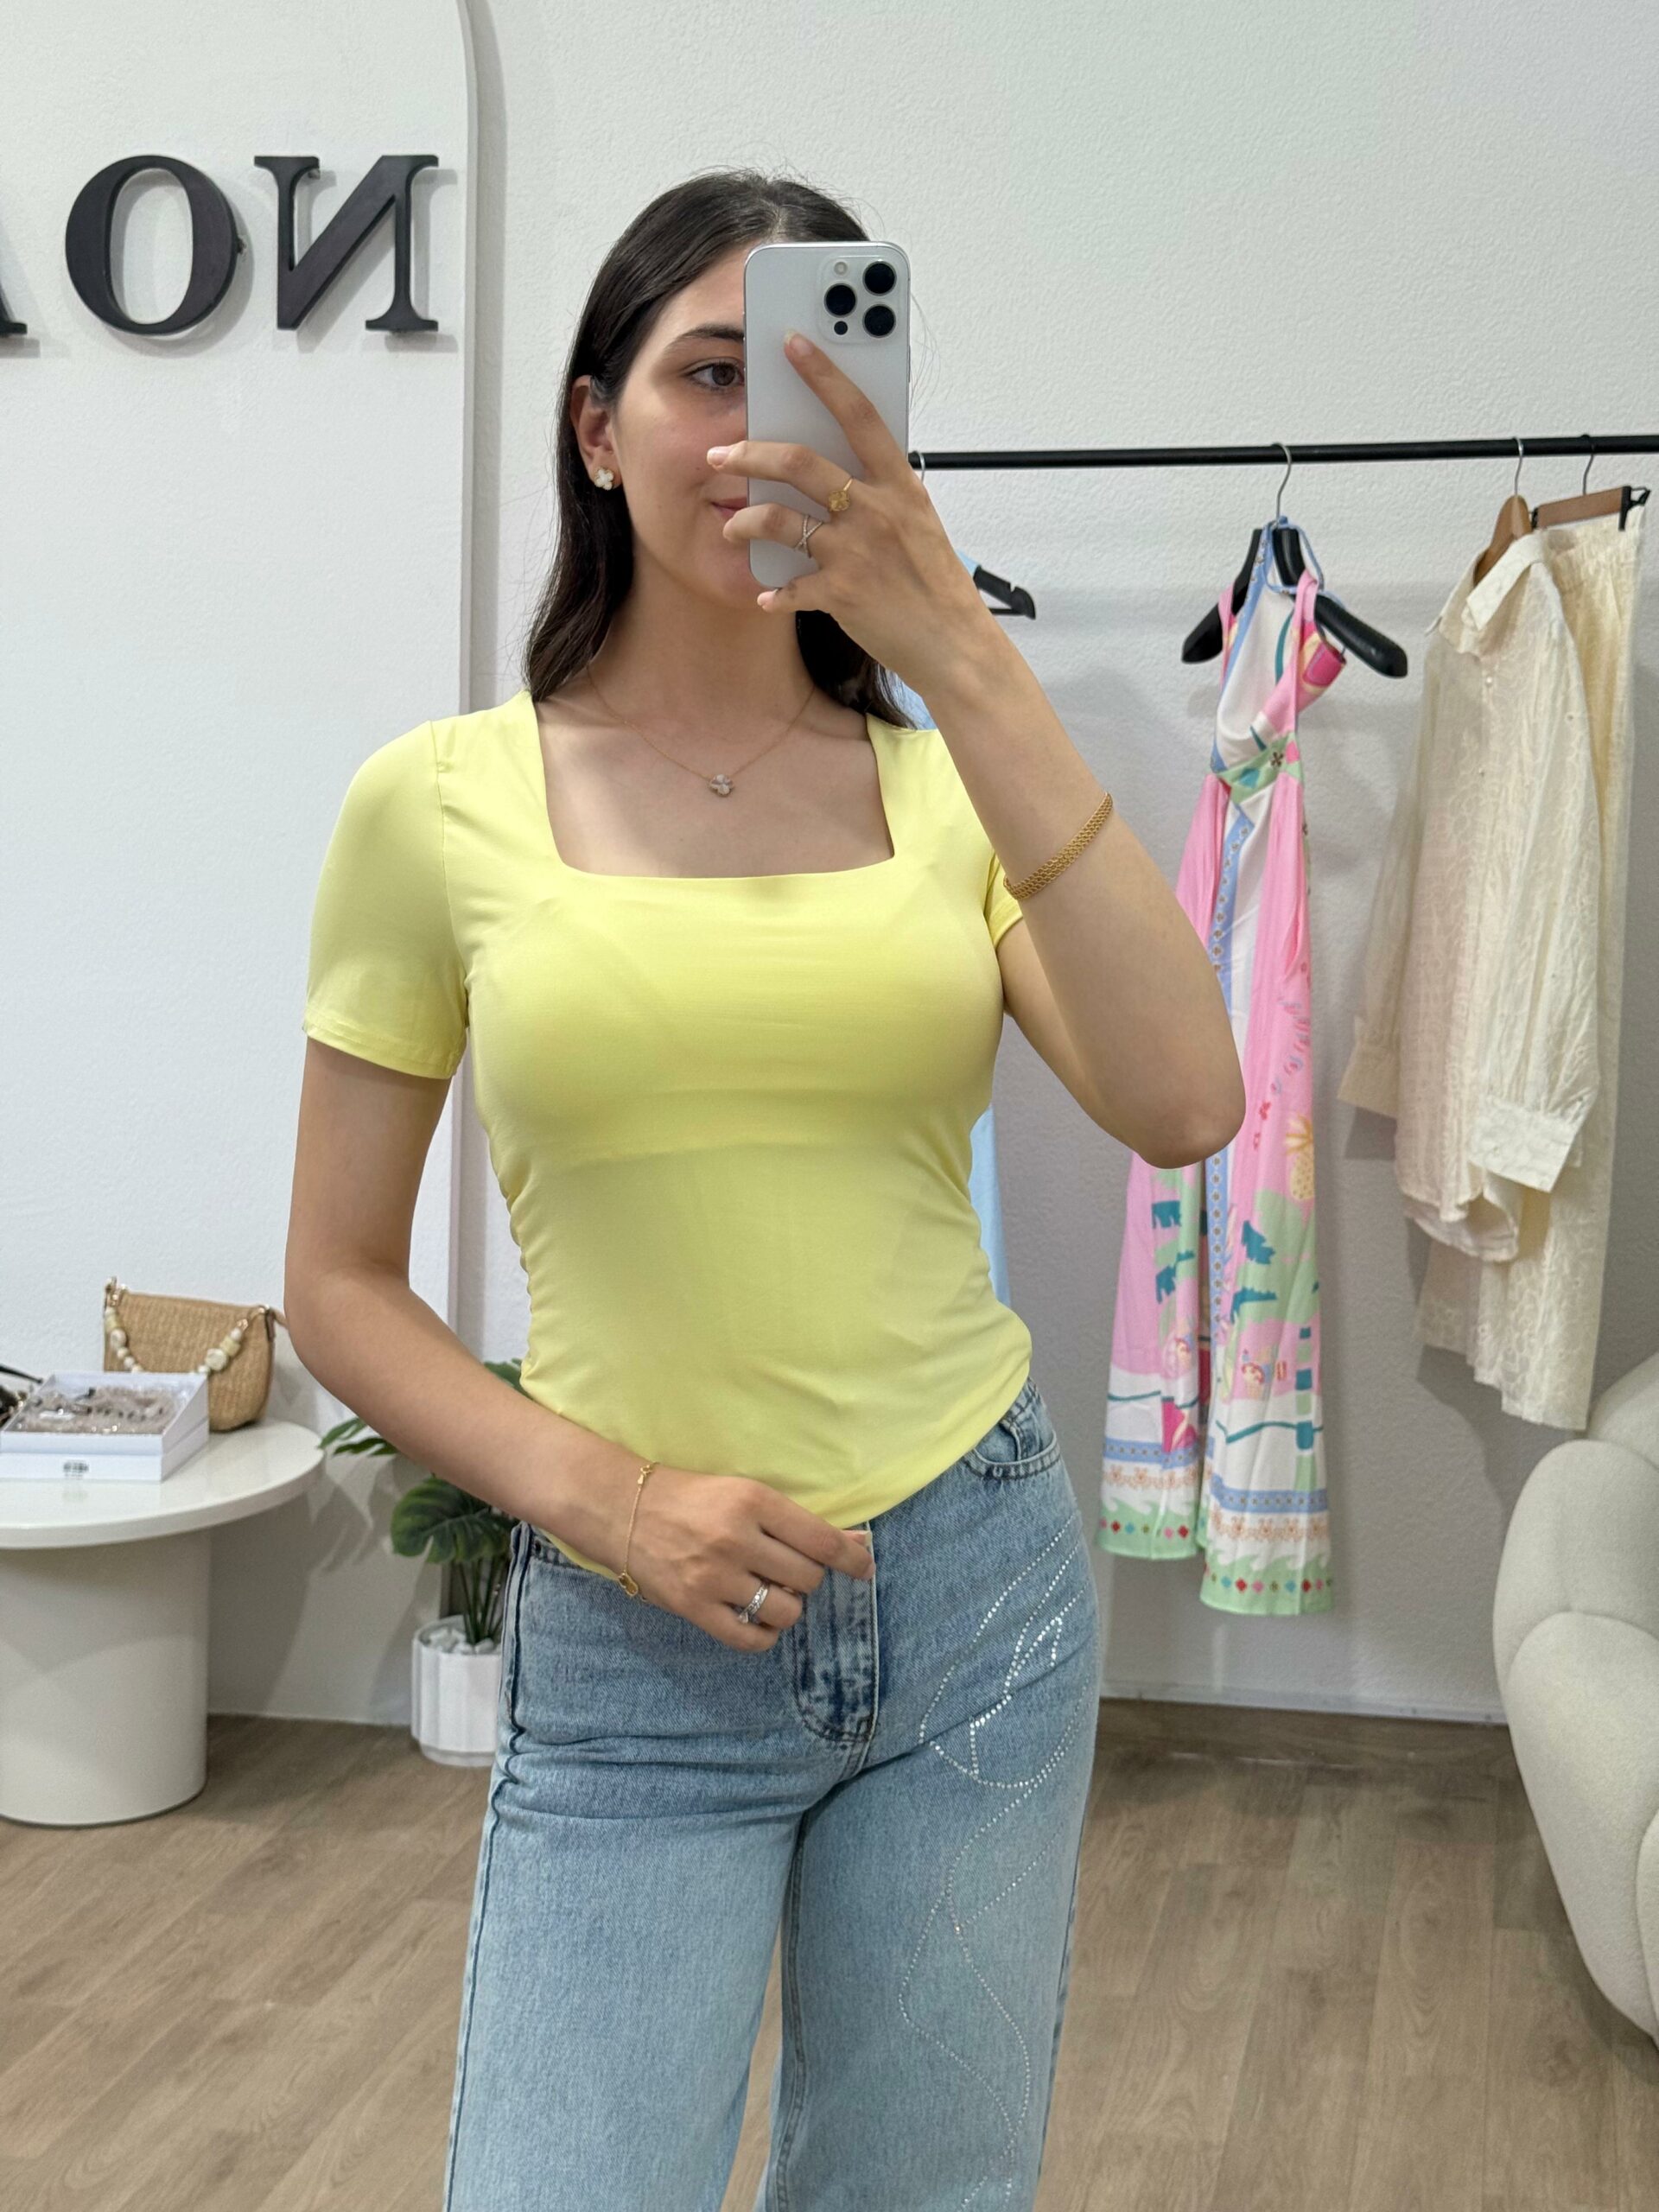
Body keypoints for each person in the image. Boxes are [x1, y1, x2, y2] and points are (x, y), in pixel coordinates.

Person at [285, 167, 1244, 2212]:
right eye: (705, 373)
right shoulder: (436, 802)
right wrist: (610, 1499)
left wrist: (957, 653)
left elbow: (1187, 1098)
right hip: (635, 1635)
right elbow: (339, 1280)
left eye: (812, 381)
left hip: (973, 1595)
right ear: (594, 425)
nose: (754, 432)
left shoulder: (947, 787)